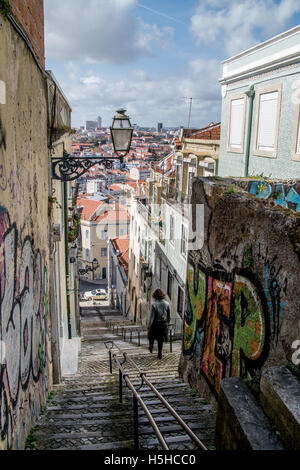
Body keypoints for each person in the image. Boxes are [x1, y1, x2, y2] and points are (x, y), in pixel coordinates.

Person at [148, 289, 170, 359]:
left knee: (151, 336)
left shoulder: (154, 304)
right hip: (163, 324)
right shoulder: (167, 304)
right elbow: (169, 316)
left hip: (155, 324)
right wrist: (167, 324)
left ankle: (151, 346)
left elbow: (152, 317)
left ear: (155, 296)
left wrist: (149, 326)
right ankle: (160, 353)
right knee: (160, 340)